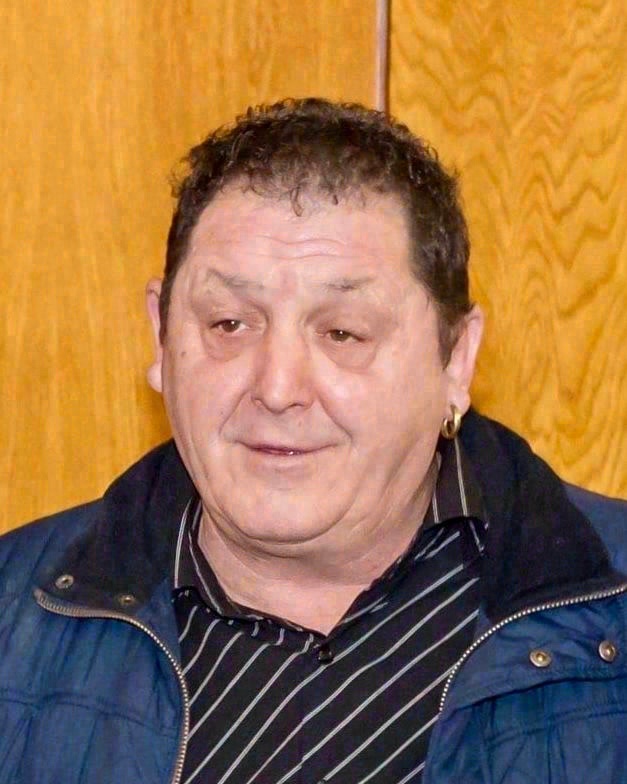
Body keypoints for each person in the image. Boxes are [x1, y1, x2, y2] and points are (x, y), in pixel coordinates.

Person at [0, 98, 625, 784]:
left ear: (456, 360)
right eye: (229, 324)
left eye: (342, 333)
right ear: (160, 336)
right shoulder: (13, 621)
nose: (277, 388)